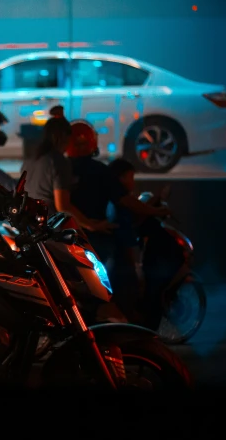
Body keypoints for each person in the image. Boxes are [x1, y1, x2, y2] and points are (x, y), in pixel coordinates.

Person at [21, 115, 114, 234]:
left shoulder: (30, 160)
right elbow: (63, 206)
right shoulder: (59, 161)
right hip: (50, 228)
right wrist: (90, 225)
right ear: (64, 137)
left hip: (29, 226)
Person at [107, 157, 171, 323]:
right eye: (131, 177)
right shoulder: (119, 197)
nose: (133, 182)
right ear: (121, 177)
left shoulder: (119, 198)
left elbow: (139, 214)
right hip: (121, 256)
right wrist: (157, 210)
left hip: (122, 255)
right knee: (128, 295)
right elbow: (139, 210)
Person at [66, 121, 117, 264]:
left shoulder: (59, 170)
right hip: (98, 234)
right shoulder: (101, 170)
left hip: (67, 235)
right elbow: (121, 198)